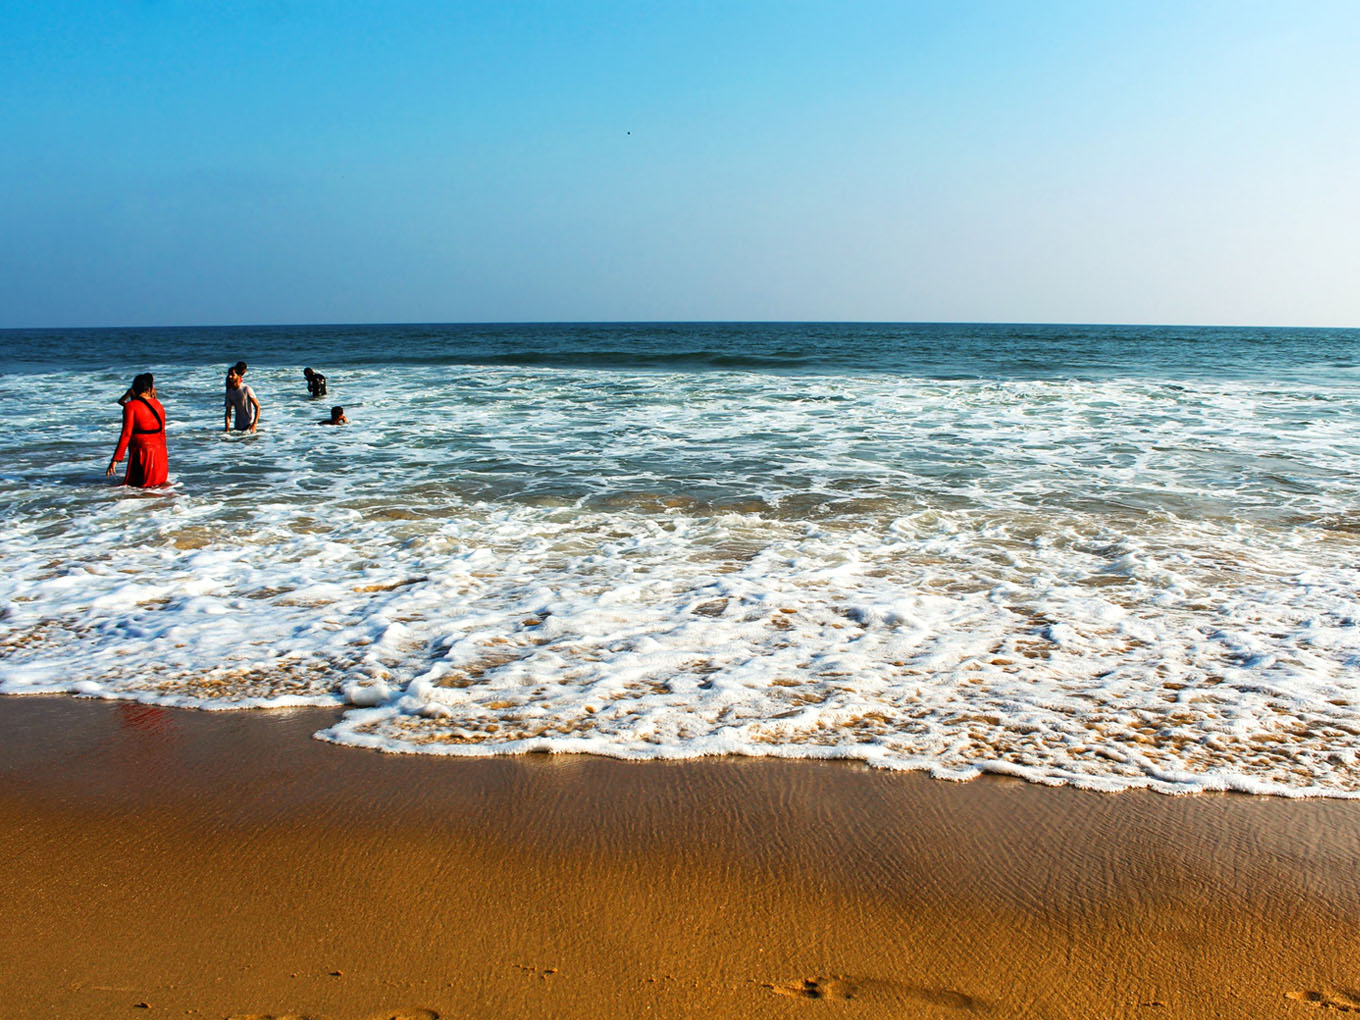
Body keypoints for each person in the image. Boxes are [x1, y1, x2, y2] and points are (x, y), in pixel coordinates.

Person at [106, 373, 168, 487]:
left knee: (137, 487)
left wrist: (115, 459)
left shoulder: (131, 406)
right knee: (157, 488)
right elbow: (162, 433)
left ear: (134, 388)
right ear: (149, 388)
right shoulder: (159, 405)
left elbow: (126, 434)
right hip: (160, 452)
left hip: (142, 451)